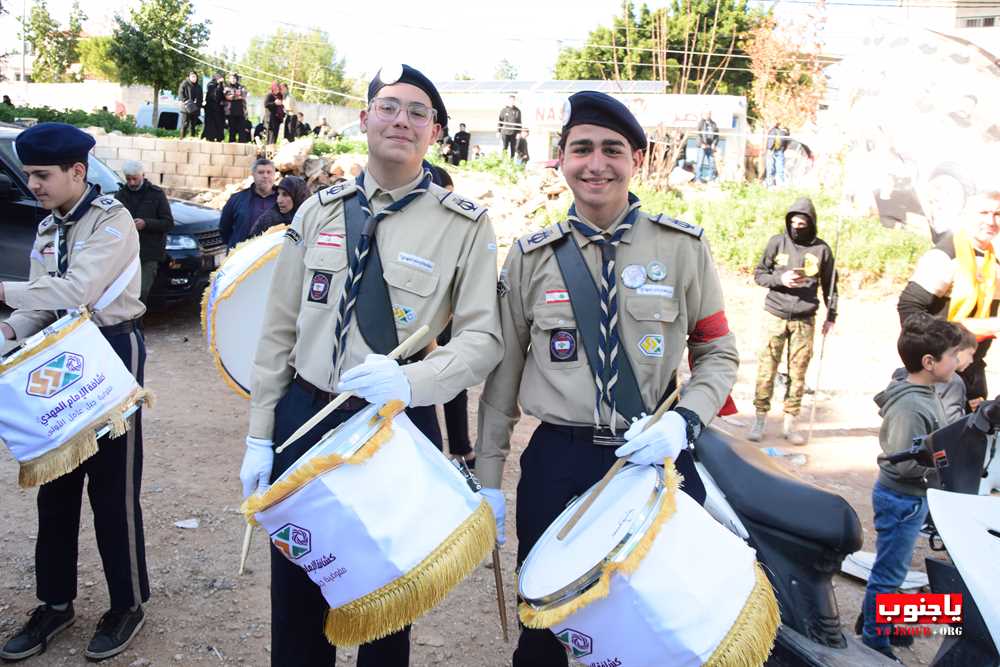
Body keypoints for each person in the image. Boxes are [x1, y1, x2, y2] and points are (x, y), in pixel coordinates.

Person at [239, 63, 503, 667]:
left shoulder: (464, 224)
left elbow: (482, 339)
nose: (401, 120)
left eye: (417, 112)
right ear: (364, 119)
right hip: (305, 417)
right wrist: (260, 434)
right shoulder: (315, 211)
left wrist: (410, 383)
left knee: (386, 594)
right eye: (389, 107)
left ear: (434, 132)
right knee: (299, 588)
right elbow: (279, 328)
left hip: (393, 425)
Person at [475, 91, 738, 667]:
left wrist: (684, 422)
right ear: (562, 159)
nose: (597, 163)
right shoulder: (529, 257)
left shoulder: (683, 248)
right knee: (544, 626)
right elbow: (501, 381)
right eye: (582, 149)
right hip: (558, 465)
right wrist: (489, 479)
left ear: (637, 159)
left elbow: (717, 354)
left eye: (612, 150)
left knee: (657, 617)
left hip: (656, 459)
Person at [0, 123, 149, 662]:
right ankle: (54, 604)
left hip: (109, 350)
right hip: (58, 352)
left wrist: (2, 290)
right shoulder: (47, 229)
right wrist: (9, 330)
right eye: (31, 174)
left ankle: (127, 604)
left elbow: (76, 291)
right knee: (56, 489)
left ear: (77, 172)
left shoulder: (112, 223)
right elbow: (41, 303)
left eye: (42, 175)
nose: (33, 184)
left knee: (112, 491)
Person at [860, 313, 965, 661]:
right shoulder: (910, 406)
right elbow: (903, 461)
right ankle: (875, 640)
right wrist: (940, 466)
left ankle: (876, 621)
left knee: (892, 568)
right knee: (889, 573)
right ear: (930, 362)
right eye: (953, 353)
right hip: (901, 499)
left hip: (910, 497)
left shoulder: (927, 391)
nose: (957, 358)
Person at [748, 197, 838, 444]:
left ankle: (790, 423)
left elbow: (831, 287)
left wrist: (831, 316)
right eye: (794, 222)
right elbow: (759, 274)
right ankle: (759, 419)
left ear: (811, 222)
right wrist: (781, 280)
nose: (797, 226)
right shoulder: (777, 243)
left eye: (802, 222)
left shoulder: (822, 250)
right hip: (774, 315)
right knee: (767, 368)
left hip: (804, 319)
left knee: (798, 372)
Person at [897, 191, 1000, 404]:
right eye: (983, 213)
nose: (991, 221)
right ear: (966, 214)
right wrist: (960, 332)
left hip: (973, 370)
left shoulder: (994, 263)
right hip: (939, 373)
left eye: (998, 214)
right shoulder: (944, 256)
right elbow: (909, 309)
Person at [115, 161, 174, 304]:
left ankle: (137, 323)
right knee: (125, 290)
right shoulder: (121, 195)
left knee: (142, 290)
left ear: (143, 175)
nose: (132, 182)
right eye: (128, 179)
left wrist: (146, 224)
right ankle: (130, 324)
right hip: (127, 252)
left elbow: (168, 223)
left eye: (135, 178)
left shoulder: (156, 194)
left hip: (149, 252)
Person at [219, 158, 277, 248]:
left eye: (269, 172)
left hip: (273, 255)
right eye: (261, 172)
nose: (265, 176)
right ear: (253, 175)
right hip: (242, 255)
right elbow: (224, 228)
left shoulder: (284, 200)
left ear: (274, 175)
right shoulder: (237, 199)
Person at [177, 71, 203, 140]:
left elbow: (201, 98)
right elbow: (181, 94)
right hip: (186, 107)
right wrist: (188, 102)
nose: (194, 78)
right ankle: (182, 139)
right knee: (185, 124)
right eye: (192, 76)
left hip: (195, 109)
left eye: (195, 77)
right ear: (189, 77)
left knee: (193, 126)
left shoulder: (199, 86)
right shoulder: (184, 83)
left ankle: (192, 139)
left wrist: (198, 105)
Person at [695, 110, 719, 183]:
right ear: (703, 115)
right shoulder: (700, 123)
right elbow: (698, 135)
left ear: (710, 115)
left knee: (712, 163)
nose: (707, 115)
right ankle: (698, 179)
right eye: (705, 114)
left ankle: (711, 179)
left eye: (708, 114)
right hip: (702, 146)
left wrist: (714, 144)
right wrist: (701, 144)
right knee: (700, 163)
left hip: (710, 146)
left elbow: (717, 136)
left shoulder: (714, 124)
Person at [224, 73, 248, 143]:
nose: (233, 80)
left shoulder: (242, 87)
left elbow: (244, 95)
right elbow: (228, 97)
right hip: (230, 112)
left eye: (234, 78)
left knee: (242, 130)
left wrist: (234, 94)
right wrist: (237, 95)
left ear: (236, 79)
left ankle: (242, 145)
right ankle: (231, 145)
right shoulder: (226, 87)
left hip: (241, 112)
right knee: (232, 130)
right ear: (229, 79)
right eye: (231, 78)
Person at [202, 71, 226, 142]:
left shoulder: (222, 85)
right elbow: (216, 95)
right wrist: (220, 84)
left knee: (219, 124)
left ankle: (219, 138)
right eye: (218, 77)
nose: (220, 78)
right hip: (211, 109)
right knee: (211, 125)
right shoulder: (211, 85)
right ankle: (210, 137)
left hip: (219, 109)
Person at [498, 94, 522, 159]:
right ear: (508, 101)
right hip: (505, 132)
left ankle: (512, 160)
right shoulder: (504, 110)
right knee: (505, 146)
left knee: (513, 147)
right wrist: (498, 131)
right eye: (511, 100)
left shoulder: (517, 111)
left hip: (514, 132)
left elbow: (519, 122)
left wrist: (519, 132)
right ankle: (504, 160)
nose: (512, 102)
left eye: (513, 100)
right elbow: (500, 120)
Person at [766, 123, 790, 187]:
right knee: (770, 169)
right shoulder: (772, 130)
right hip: (770, 150)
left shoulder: (785, 131)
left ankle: (780, 185)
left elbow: (787, 142)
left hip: (779, 151)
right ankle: (770, 185)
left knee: (780, 169)